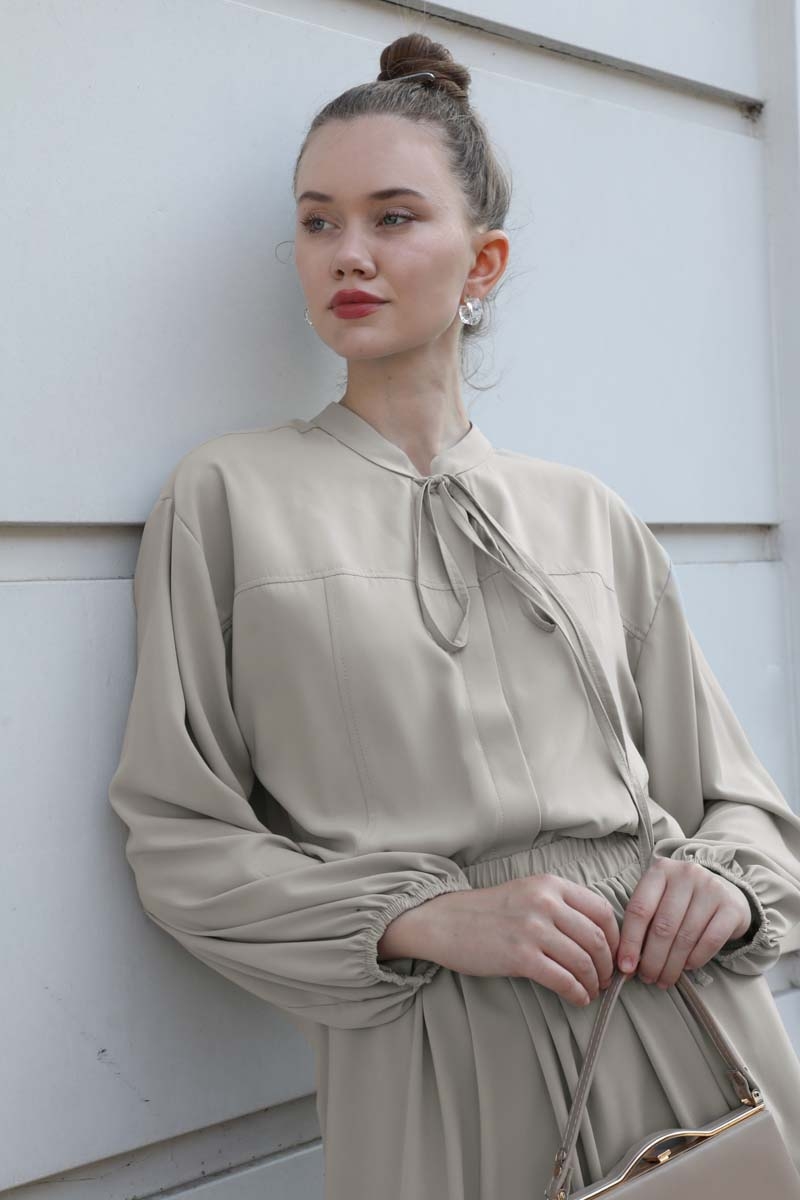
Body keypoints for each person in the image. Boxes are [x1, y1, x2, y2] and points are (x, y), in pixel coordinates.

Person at [108, 30, 800, 1199]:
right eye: (317, 222)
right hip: (437, 1056)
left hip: (688, 1032)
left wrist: (725, 886)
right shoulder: (226, 499)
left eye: (392, 217)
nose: (347, 254)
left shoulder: (588, 516)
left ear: (482, 264)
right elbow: (180, 841)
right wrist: (421, 918)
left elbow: (741, 805)